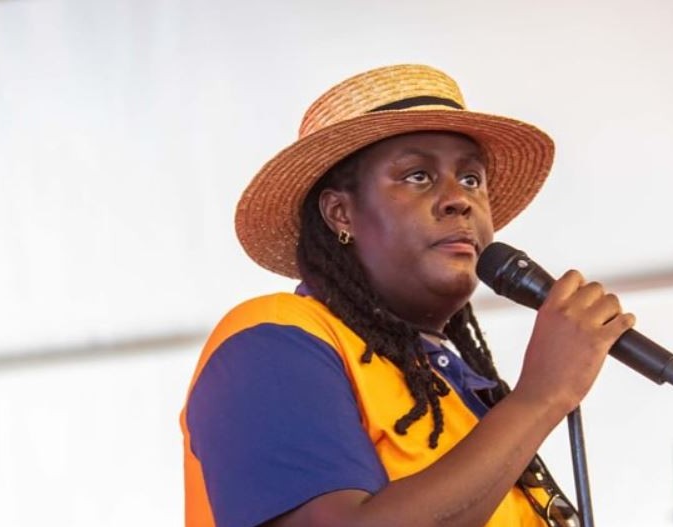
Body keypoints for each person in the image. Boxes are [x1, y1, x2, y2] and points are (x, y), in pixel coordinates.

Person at [180, 64, 635, 527]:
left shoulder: (457, 391)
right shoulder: (272, 339)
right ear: (341, 214)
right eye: (418, 176)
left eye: (472, 179)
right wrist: (540, 397)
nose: (460, 199)